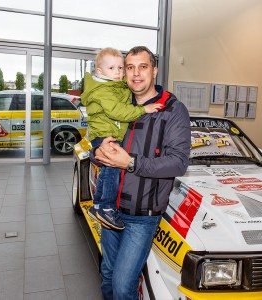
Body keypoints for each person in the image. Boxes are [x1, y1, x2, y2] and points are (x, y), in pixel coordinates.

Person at [92, 46, 191, 299]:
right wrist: (98, 150)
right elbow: (96, 140)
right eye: (130, 67)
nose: (136, 74)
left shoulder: (172, 110)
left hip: (141, 216)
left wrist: (131, 163)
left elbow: (178, 163)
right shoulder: (116, 101)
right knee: (108, 278)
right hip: (111, 213)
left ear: (154, 71)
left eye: (143, 67)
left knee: (124, 286)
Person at [81, 47, 161, 230]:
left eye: (120, 68)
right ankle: (106, 206)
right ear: (100, 71)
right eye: (112, 68)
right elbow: (117, 111)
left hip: (106, 134)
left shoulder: (113, 85)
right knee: (112, 169)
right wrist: (143, 109)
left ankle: (99, 206)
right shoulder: (103, 91)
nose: (118, 72)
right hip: (104, 135)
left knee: (108, 169)